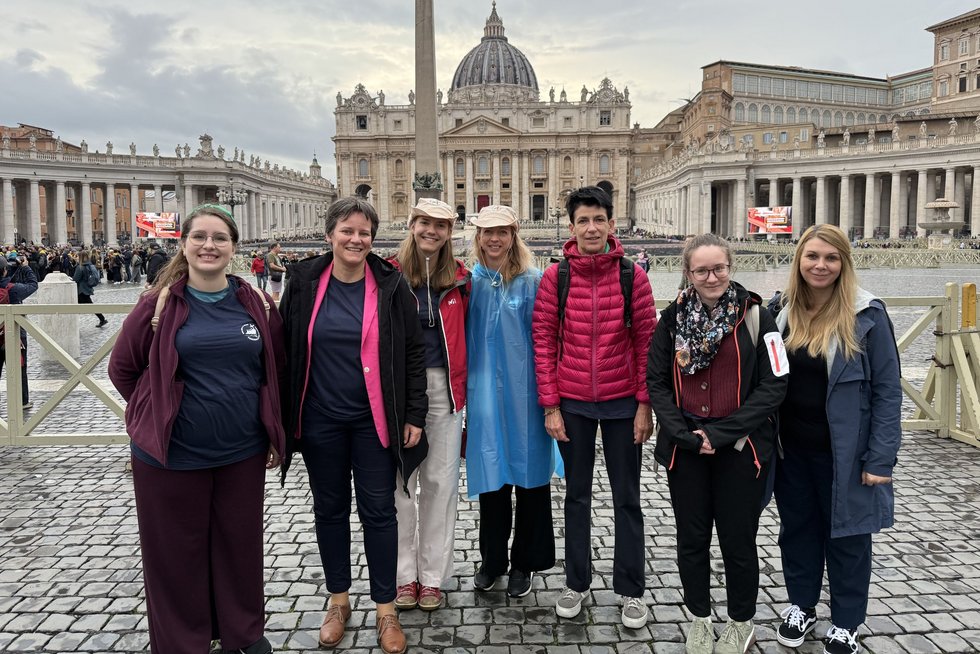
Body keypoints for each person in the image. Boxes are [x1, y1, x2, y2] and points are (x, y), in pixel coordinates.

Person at [107, 204, 285, 654]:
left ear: (233, 247)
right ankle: (182, 642)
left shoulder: (255, 302)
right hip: (170, 455)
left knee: (240, 547)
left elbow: (275, 368)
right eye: (199, 237)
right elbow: (123, 369)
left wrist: (270, 427)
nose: (209, 245)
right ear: (183, 245)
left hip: (242, 452)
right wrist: (158, 412)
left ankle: (242, 633)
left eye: (219, 238)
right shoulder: (157, 303)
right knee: (174, 554)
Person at [278, 197, 427, 654]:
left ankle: (386, 608)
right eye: (347, 231)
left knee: (379, 512)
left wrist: (415, 413)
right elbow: (284, 348)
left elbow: (413, 352)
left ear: (373, 239)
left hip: (373, 420)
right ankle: (338, 601)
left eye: (364, 232)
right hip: (319, 418)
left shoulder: (391, 284)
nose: (356, 239)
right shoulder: (302, 282)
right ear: (330, 235)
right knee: (330, 509)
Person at [646, 234, 789, 654]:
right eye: (702, 270)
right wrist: (683, 434)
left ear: (730, 267)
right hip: (686, 448)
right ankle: (700, 618)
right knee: (691, 539)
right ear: (688, 273)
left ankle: (741, 622)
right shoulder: (670, 319)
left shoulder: (759, 317)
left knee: (737, 541)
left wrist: (720, 434)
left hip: (741, 448)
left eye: (719, 268)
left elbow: (775, 385)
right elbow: (657, 381)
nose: (712, 277)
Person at [772, 225, 901, 654]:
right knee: (797, 531)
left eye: (831, 258)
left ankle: (847, 621)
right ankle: (801, 605)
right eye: (812, 256)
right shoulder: (781, 310)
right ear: (799, 261)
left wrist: (880, 459)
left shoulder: (868, 316)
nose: (820, 265)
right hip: (791, 450)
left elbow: (888, 391)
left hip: (846, 452)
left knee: (848, 538)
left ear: (844, 263)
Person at [531, 186, 656, 628]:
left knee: (628, 498)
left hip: (622, 402)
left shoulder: (633, 276)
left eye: (598, 220)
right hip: (574, 403)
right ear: (571, 227)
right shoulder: (556, 277)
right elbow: (544, 342)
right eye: (582, 221)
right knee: (576, 497)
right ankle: (576, 582)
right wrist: (550, 406)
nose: (590, 228)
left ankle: (631, 589)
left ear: (610, 224)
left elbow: (647, 344)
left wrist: (644, 404)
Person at [465, 205, 561, 598]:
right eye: (487, 232)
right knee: (493, 481)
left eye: (502, 232)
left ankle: (526, 561)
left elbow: (548, 338)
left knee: (531, 481)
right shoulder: (469, 282)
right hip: (486, 397)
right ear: (478, 237)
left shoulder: (533, 281)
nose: (494, 239)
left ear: (513, 236)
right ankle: (492, 559)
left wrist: (551, 398)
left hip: (527, 396)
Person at [390, 197, 469, 612]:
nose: (431, 231)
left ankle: (433, 576)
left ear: (449, 232)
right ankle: (404, 575)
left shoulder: (461, 279)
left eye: (440, 225)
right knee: (400, 483)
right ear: (412, 224)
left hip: (444, 386)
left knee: (440, 482)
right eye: (424, 222)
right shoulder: (387, 274)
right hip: (397, 388)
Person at [0, 252, 38, 411]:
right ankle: (22, 401)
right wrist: (25, 267)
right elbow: (33, 284)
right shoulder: (13, 289)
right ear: (4, 271)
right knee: (19, 368)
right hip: (15, 335)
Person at [72, 250, 108, 327]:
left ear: (80, 257)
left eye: (78, 256)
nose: (76, 258)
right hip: (87, 288)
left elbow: (75, 279)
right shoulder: (90, 265)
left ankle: (102, 319)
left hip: (81, 290)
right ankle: (102, 319)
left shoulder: (80, 267)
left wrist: (71, 279)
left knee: (75, 306)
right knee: (88, 305)